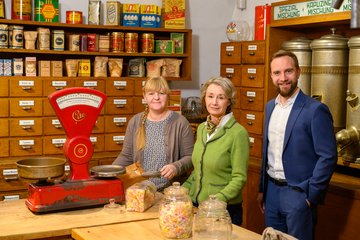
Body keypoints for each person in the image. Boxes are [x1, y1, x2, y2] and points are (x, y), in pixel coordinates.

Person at [257, 50, 338, 240]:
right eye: (277, 73)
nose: (283, 78)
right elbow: (267, 150)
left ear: (299, 72)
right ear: (271, 76)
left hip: (298, 195)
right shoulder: (270, 107)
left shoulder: (315, 110)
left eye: (288, 71)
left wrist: (311, 197)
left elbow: (328, 156)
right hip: (272, 193)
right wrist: (262, 189)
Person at [182, 76, 249, 226]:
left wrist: (217, 200)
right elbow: (198, 170)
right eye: (210, 96)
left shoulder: (238, 133)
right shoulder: (201, 129)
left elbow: (239, 178)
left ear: (229, 101)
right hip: (198, 206)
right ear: (204, 98)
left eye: (221, 97)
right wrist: (182, 190)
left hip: (224, 211)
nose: (214, 102)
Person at [113, 76, 194, 191]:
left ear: (168, 95)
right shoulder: (135, 122)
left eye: (161, 93)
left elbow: (190, 157)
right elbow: (126, 156)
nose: (156, 97)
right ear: (144, 96)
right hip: (139, 190)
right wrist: (110, 172)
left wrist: (176, 167)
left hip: (168, 191)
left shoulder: (180, 122)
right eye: (151, 93)